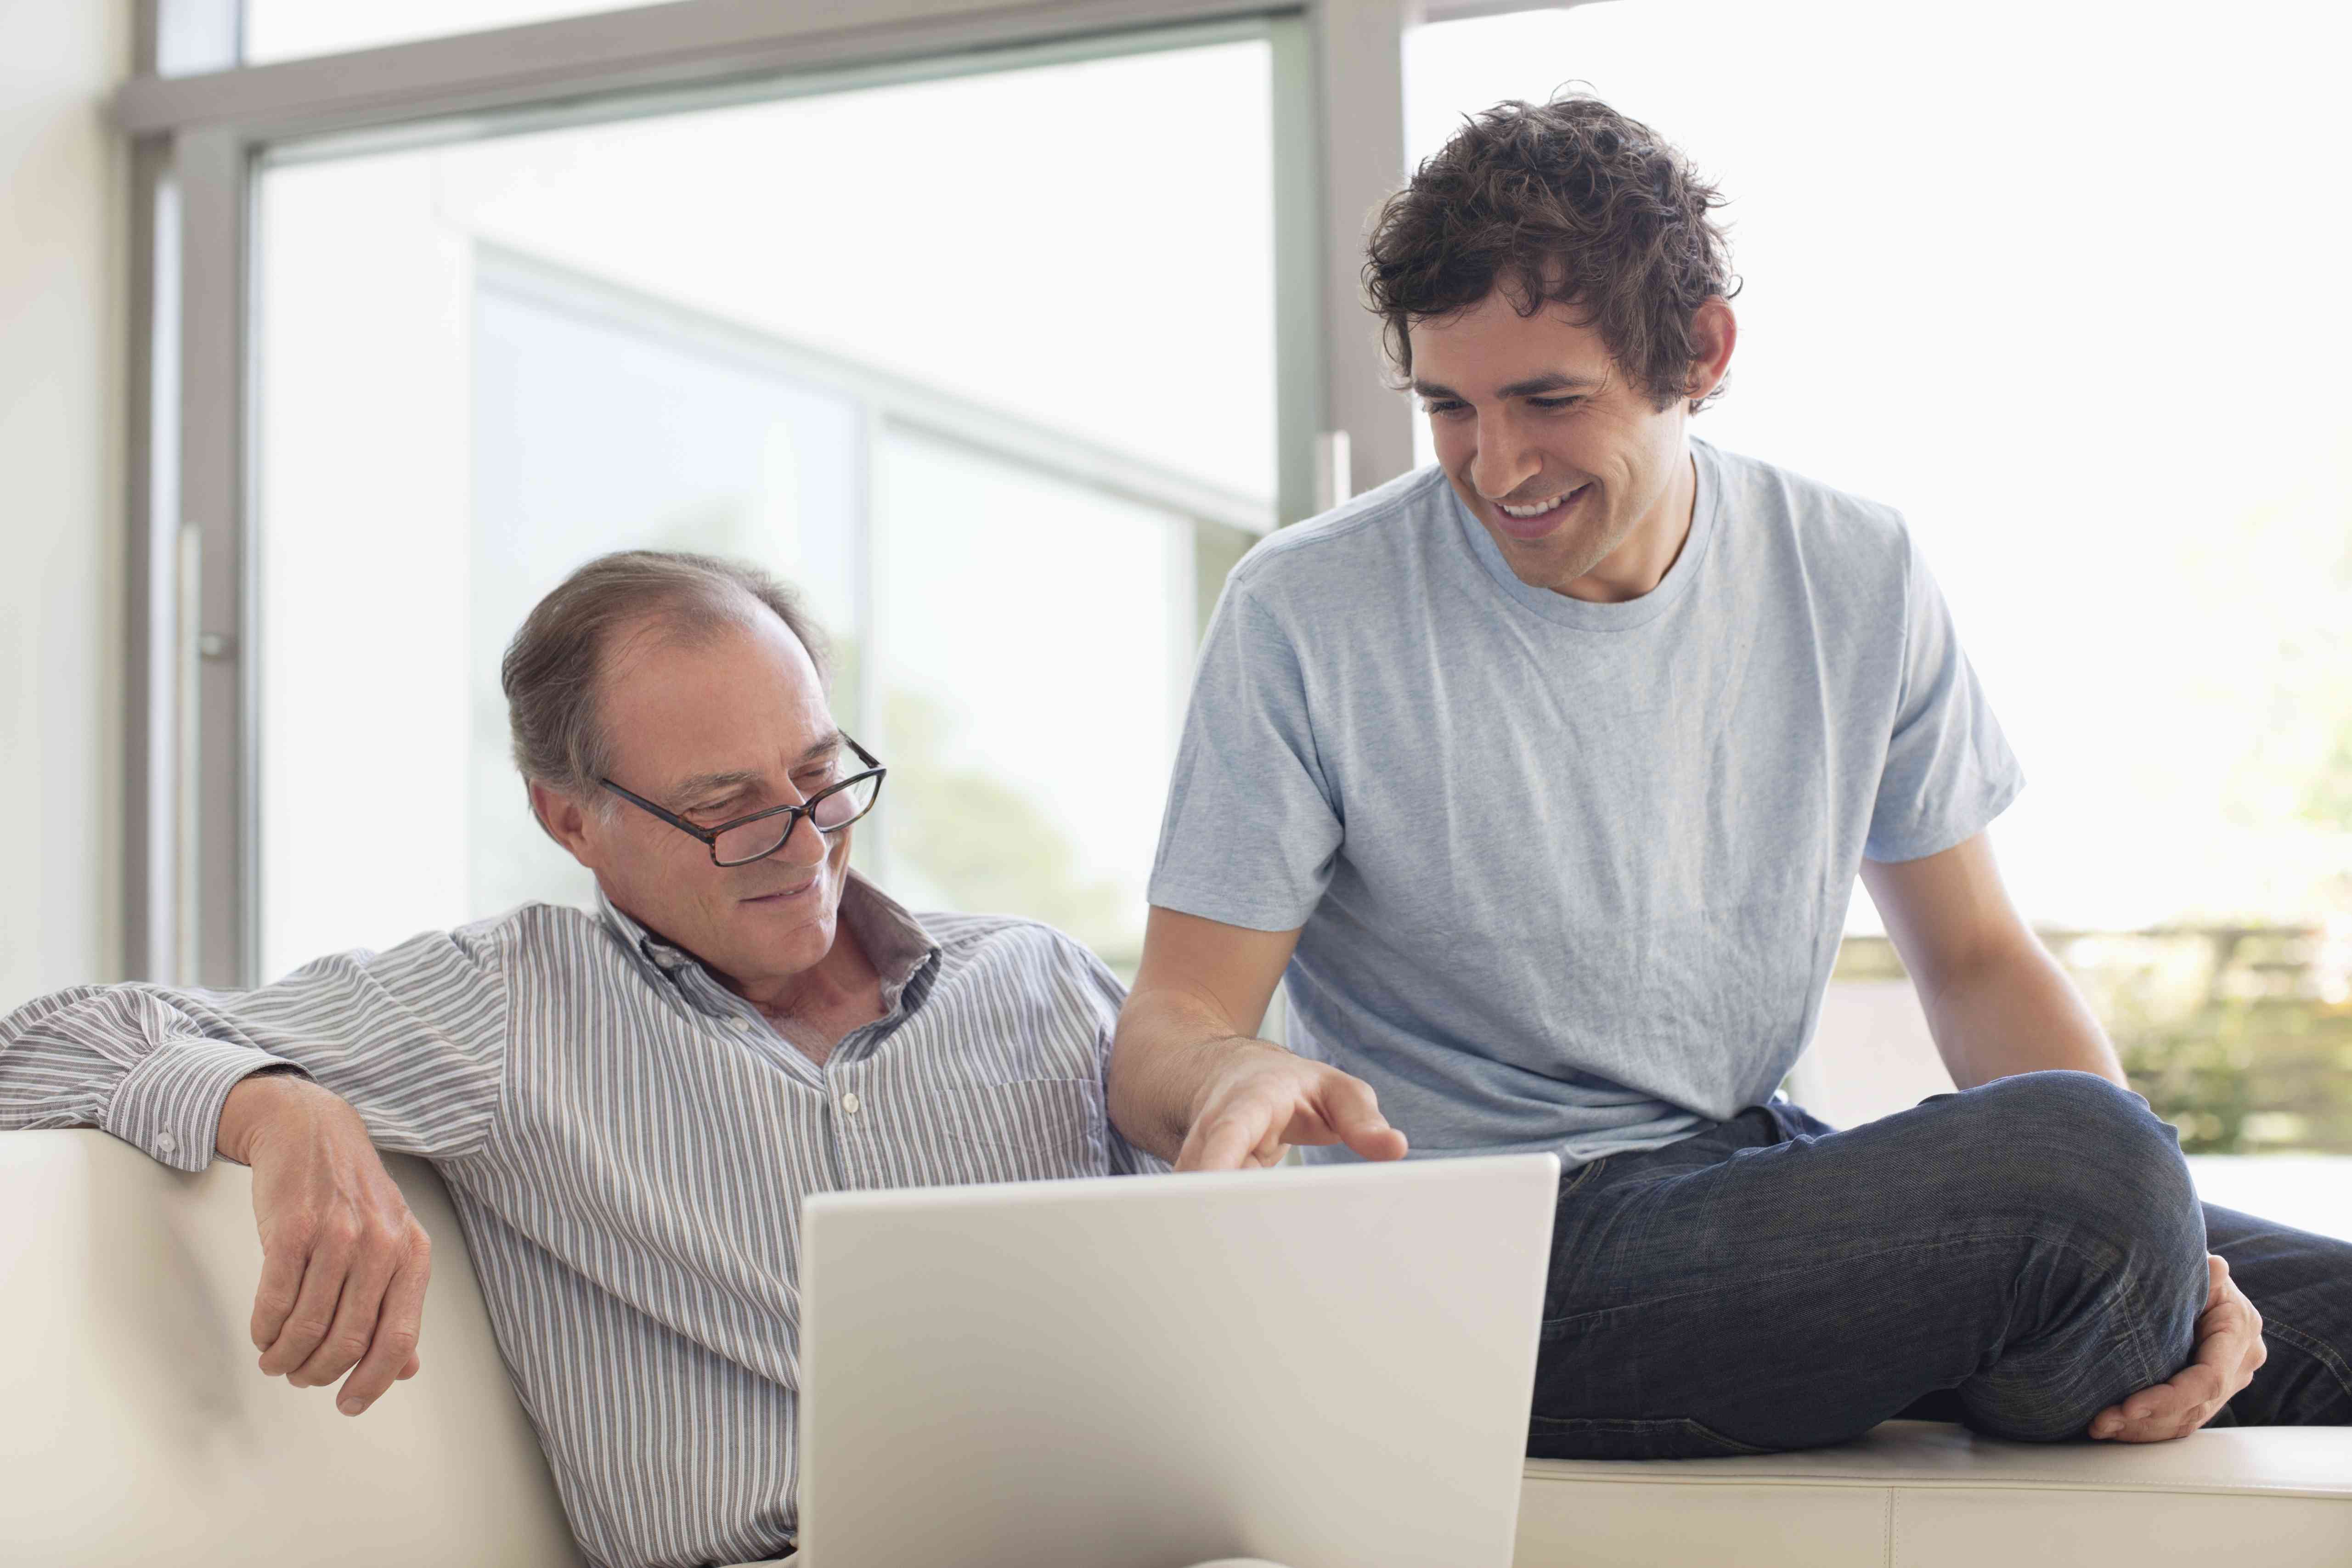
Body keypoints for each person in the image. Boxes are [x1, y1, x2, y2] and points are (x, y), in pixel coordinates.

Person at [1108, 94, 2349, 1454]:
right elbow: (1169, 1020)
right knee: (2086, 1177)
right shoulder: (1306, 608)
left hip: (1752, 1176)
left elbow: (1982, 961)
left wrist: (2166, 1232)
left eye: (1548, 400)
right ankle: (2054, 1327)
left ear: (1699, 353)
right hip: (1484, 1254)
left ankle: (2054, 1327)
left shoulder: (1854, 570)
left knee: (2234, 1247)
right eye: (1448, 408)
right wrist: (1224, 1073)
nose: (1495, 464)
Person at [0, 549, 1159, 1568]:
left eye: (817, 776)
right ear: (568, 821)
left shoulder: (1037, 977)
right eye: (727, 808)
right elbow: (41, 1043)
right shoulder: (506, 1005)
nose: (804, 843)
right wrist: (272, 1103)